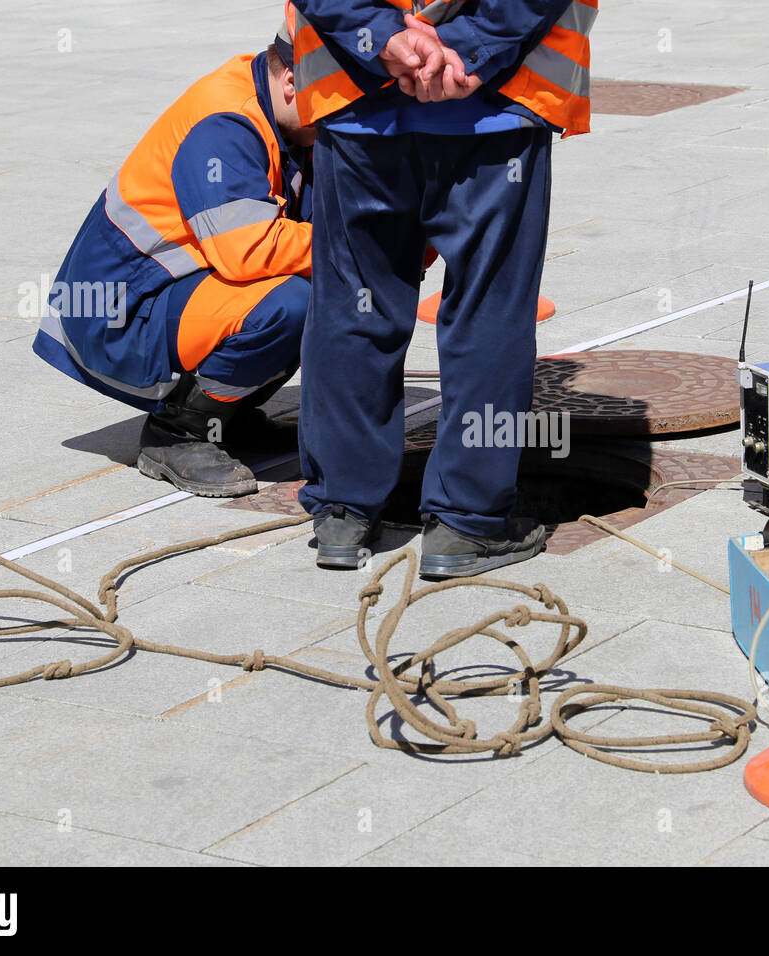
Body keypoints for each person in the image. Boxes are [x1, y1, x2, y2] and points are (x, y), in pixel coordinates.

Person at [286, 0, 595, 577]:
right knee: (489, 309)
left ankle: (343, 512)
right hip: (495, 107)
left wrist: (381, 38)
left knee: (354, 305)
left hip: (359, 104)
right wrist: (468, 45)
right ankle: (463, 522)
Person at [32, 38, 315, 497]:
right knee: (293, 304)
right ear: (290, 81)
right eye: (338, 102)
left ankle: (229, 418)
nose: (346, 119)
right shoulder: (225, 122)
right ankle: (178, 432)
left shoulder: (285, 116)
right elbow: (249, 251)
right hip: (116, 316)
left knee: (320, 283)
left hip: (163, 293)